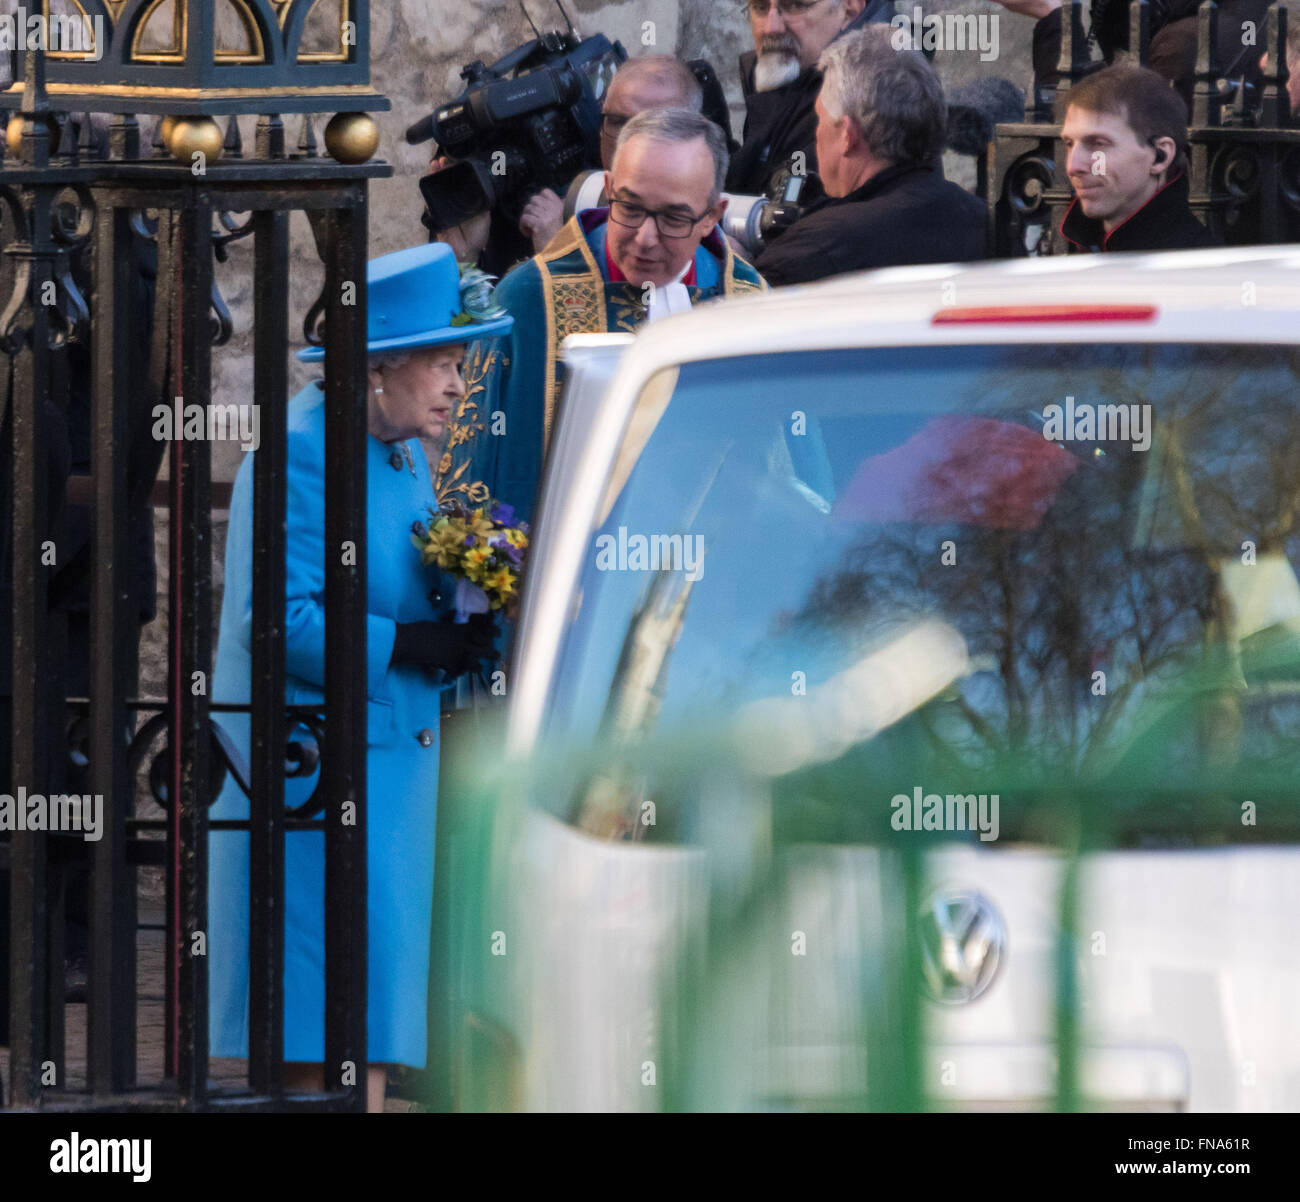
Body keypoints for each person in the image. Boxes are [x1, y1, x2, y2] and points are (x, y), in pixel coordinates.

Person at [206, 243, 507, 1112]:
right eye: (445, 363)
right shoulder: (304, 450)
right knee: (324, 1036)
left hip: (383, 781)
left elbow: (396, 575)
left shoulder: (401, 450)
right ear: (381, 368)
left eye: (462, 363)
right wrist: (407, 645)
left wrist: (468, 614)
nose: (460, 385)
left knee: (367, 1027)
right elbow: (274, 619)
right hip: (315, 780)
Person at [434, 108, 765, 529]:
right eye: (629, 207)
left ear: (712, 217)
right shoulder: (530, 298)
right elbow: (472, 473)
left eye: (673, 218)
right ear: (608, 188)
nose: (645, 238)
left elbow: (776, 471)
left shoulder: (748, 306)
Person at [753, 27, 988, 286]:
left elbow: (737, 314)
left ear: (847, 134)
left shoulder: (812, 250)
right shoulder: (988, 224)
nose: (816, 134)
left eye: (820, 119)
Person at [729, 0, 897, 198]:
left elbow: (796, 216)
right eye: (760, 7)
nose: (770, 28)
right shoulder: (785, 79)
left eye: (795, 6)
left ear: (849, 9)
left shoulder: (877, 94)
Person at [1057, 65, 1221, 252]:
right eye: (1069, 144)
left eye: (1098, 144)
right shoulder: (1080, 243)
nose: (1073, 166)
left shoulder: (1195, 265)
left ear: (1160, 156)